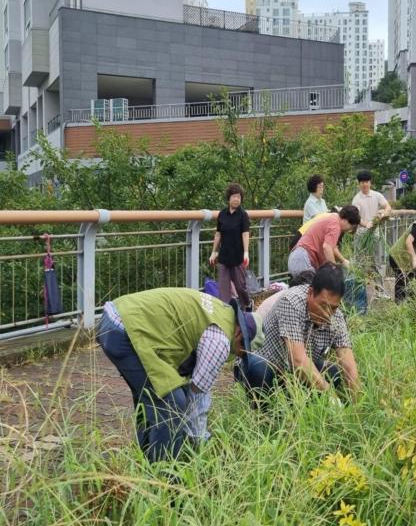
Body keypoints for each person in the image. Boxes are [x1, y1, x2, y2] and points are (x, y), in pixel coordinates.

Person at [96, 287, 262, 461]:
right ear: (239, 333)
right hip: (124, 327)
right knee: (173, 402)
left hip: (118, 317)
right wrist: (200, 441)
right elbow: (198, 396)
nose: (239, 355)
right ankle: (164, 477)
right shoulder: (220, 340)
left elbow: (195, 384)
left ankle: (145, 460)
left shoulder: (221, 313)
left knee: (152, 398)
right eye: (243, 350)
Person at [236, 263, 359, 399]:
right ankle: (263, 416)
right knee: (259, 370)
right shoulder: (291, 302)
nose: (327, 313)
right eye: (323, 305)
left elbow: (348, 365)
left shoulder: (337, 317)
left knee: (333, 372)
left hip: (294, 373)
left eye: (334, 308)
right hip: (266, 363)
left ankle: (304, 408)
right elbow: (298, 360)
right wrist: (332, 398)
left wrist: (357, 408)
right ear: (310, 293)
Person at [209, 183, 251, 310]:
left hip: (238, 256)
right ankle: (225, 312)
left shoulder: (243, 215)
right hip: (224, 256)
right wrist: (213, 252)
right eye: (234, 196)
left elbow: (245, 234)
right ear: (229, 198)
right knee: (223, 288)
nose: (236, 199)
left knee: (240, 286)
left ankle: (247, 304)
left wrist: (246, 252)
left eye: (238, 197)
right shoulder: (222, 214)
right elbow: (218, 234)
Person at [288, 206, 360, 278]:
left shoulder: (333, 217)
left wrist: (343, 261)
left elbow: (332, 247)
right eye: (351, 227)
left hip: (298, 258)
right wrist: (334, 270)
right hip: (303, 260)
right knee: (312, 288)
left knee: (315, 287)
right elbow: (327, 247)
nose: (348, 230)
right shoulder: (336, 226)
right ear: (346, 220)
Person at [352, 170, 392, 297]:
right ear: (359, 184)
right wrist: (366, 224)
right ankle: (358, 291)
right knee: (360, 263)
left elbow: (388, 206)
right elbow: (356, 218)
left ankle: (379, 291)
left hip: (375, 235)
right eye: (362, 182)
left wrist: (383, 214)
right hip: (361, 235)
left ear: (370, 183)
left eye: (367, 182)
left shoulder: (376, 195)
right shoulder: (357, 199)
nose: (365, 184)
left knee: (377, 262)